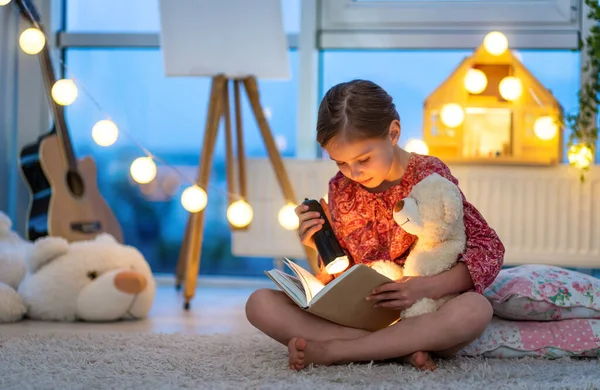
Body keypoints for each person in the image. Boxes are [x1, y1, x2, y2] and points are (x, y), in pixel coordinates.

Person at [245, 79, 505, 371]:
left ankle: (339, 351)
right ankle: (397, 349)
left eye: (363, 159)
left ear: (393, 133)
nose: (353, 173)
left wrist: (425, 287)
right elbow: (348, 271)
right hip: (365, 314)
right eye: (340, 163)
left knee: (475, 310)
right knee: (259, 304)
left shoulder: (429, 175)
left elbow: (489, 248)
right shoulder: (341, 188)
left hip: (424, 310)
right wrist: (322, 245)